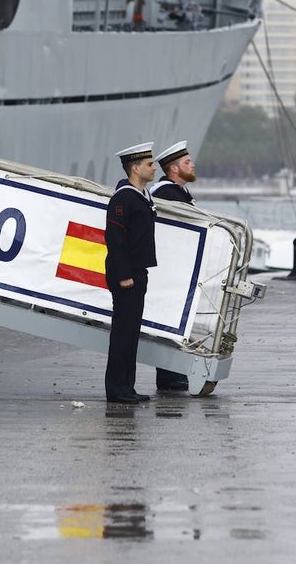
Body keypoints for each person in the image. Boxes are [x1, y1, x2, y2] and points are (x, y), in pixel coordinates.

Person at [104, 142, 158, 404]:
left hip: (138, 272)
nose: (154, 167)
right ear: (135, 168)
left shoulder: (141, 196)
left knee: (131, 332)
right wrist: (124, 275)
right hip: (125, 276)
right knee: (123, 332)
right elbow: (114, 239)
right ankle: (117, 389)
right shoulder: (123, 198)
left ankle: (127, 386)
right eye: (149, 164)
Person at [148, 141, 198, 392]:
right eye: (187, 162)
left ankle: (173, 375)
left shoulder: (178, 193)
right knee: (168, 323)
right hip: (168, 271)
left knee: (174, 323)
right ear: (174, 168)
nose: (193, 165)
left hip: (176, 270)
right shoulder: (167, 194)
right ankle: (170, 376)